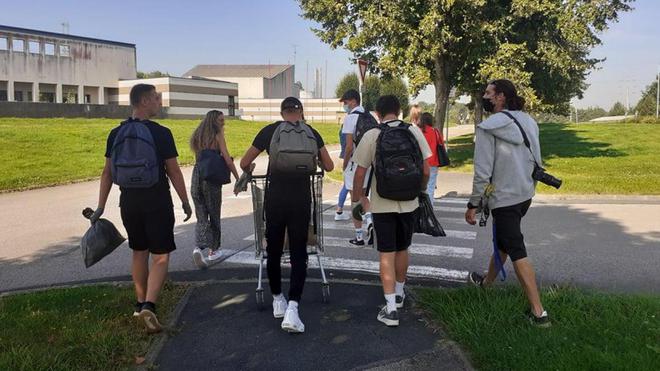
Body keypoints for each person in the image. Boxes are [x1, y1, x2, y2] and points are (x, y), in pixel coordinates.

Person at [90, 83, 192, 333]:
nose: (160, 102)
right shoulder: (161, 133)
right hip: (156, 200)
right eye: (157, 98)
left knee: (138, 251)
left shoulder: (116, 133)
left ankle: (138, 304)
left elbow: (107, 173)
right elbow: (174, 171)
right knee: (160, 255)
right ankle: (150, 305)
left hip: (129, 202)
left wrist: (101, 207)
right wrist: (185, 201)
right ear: (145, 101)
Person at [239, 97, 334, 333]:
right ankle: (293, 307)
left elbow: (244, 161)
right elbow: (330, 166)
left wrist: (249, 169)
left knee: (273, 249)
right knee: (299, 252)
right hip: (301, 200)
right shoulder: (311, 132)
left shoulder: (270, 131)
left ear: (282, 113)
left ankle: (277, 299)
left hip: (275, 199)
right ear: (301, 112)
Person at [465, 79, 550, 327]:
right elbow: (537, 159)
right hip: (525, 195)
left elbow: (482, 171)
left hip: (505, 199)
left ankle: (539, 313)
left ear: (501, 97)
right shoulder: (529, 121)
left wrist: (473, 204)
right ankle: (486, 284)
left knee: (515, 248)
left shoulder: (488, 127)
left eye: (489, 93)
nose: (485, 96)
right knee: (503, 243)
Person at [352, 95, 431, 327]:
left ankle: (390, 309)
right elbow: (426, 169)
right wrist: (420, 190)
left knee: (386, 253)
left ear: (377, 113)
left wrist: (360, 200)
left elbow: (359, 173)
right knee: (403, 248)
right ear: (399, 110)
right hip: (409, 202)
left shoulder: (373, 135)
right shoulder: (414, 132)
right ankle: (399, 292)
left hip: (382, 203)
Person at [190, 110, 239, 268]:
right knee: (214, 213)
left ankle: (198, 248)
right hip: (211, 178)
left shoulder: (198, 136)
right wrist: (238, 178)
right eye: (221, 120)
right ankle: (213, 250)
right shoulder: (218, 135)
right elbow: (227, 158)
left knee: (201, 213)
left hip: (197, 175)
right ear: (214, 121)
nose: (223, 123)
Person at [339, 89, 374, 246]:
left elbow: (348, 147)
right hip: (368, 163)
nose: (345, 105)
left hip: (354, 162)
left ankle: (359, 236)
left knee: (355, 199)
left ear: (353, 101)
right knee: (364, 197)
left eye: (345, 102)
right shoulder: (369, 116)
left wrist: (345, 163)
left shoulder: (350, 118)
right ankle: (371, 223)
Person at [417, 112, 443, 204]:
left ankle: (419, 208)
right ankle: (429, 209)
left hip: (420, 162)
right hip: (433, 162)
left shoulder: (418, 131)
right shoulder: (435, 131)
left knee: (419, 187)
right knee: (431, 187)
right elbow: (441, 145)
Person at [334, 125, 350, 221]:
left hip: (346, 159)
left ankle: (339, 210)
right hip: (353, 159)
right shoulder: (352, 131)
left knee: (347, 185)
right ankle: (339, 210)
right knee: (356, 187)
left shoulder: (342, 130)